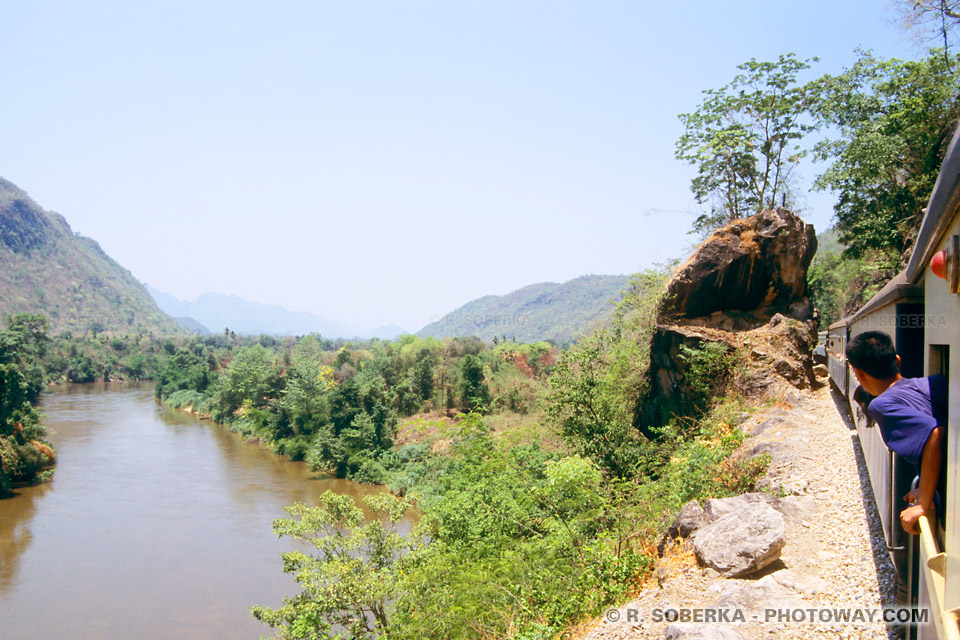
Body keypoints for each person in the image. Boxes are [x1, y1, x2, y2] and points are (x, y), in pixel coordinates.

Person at [845, 330, 948, 535]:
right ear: (897, 360)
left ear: (859, 374)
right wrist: (930, 486)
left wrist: (923, 504)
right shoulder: (934, 383)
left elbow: (934, 433)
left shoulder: (882, 405)